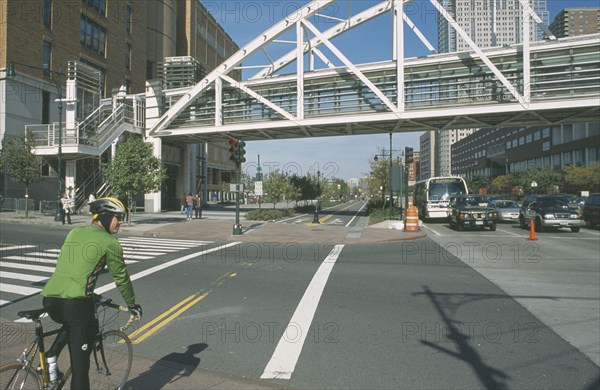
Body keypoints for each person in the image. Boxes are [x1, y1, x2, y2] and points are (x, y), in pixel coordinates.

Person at [41, 197, 142, 390]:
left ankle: (51, 356)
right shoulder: (110, 242)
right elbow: (121, 277)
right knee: (80, 370)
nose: (121, 221)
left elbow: (74, 269)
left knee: (74, 324)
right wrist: (132, 304)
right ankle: (53, 358)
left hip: (50, 301)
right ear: (104, 217)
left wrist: (91, 294)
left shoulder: (74, 231)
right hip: (75, 306)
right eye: (118, 217)